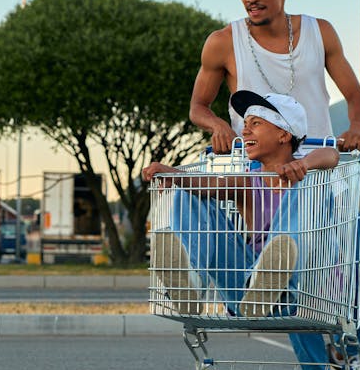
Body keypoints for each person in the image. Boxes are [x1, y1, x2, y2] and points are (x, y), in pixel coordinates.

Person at [186, 0, 360, 370]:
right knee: (292, 275)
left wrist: (356, 128)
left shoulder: (320, 33)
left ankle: (345, 350)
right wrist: (216, 125)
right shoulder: (222, 42)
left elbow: (355, 97)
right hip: (268, 174)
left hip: (323, 169)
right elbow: (198, 107)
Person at [144, 91, 339, 318]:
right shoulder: (248, 181)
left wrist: (304, 165)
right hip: (245, 294)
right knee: (190, 189)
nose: (244, 131)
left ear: (284, 134)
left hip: (294, 294)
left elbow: (331, 155)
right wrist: (174, 174)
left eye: (255, 124)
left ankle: (276, 282)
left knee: (306, 184)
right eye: (245, 124)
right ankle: (191, 282)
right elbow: (207, 186)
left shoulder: (307, 177)